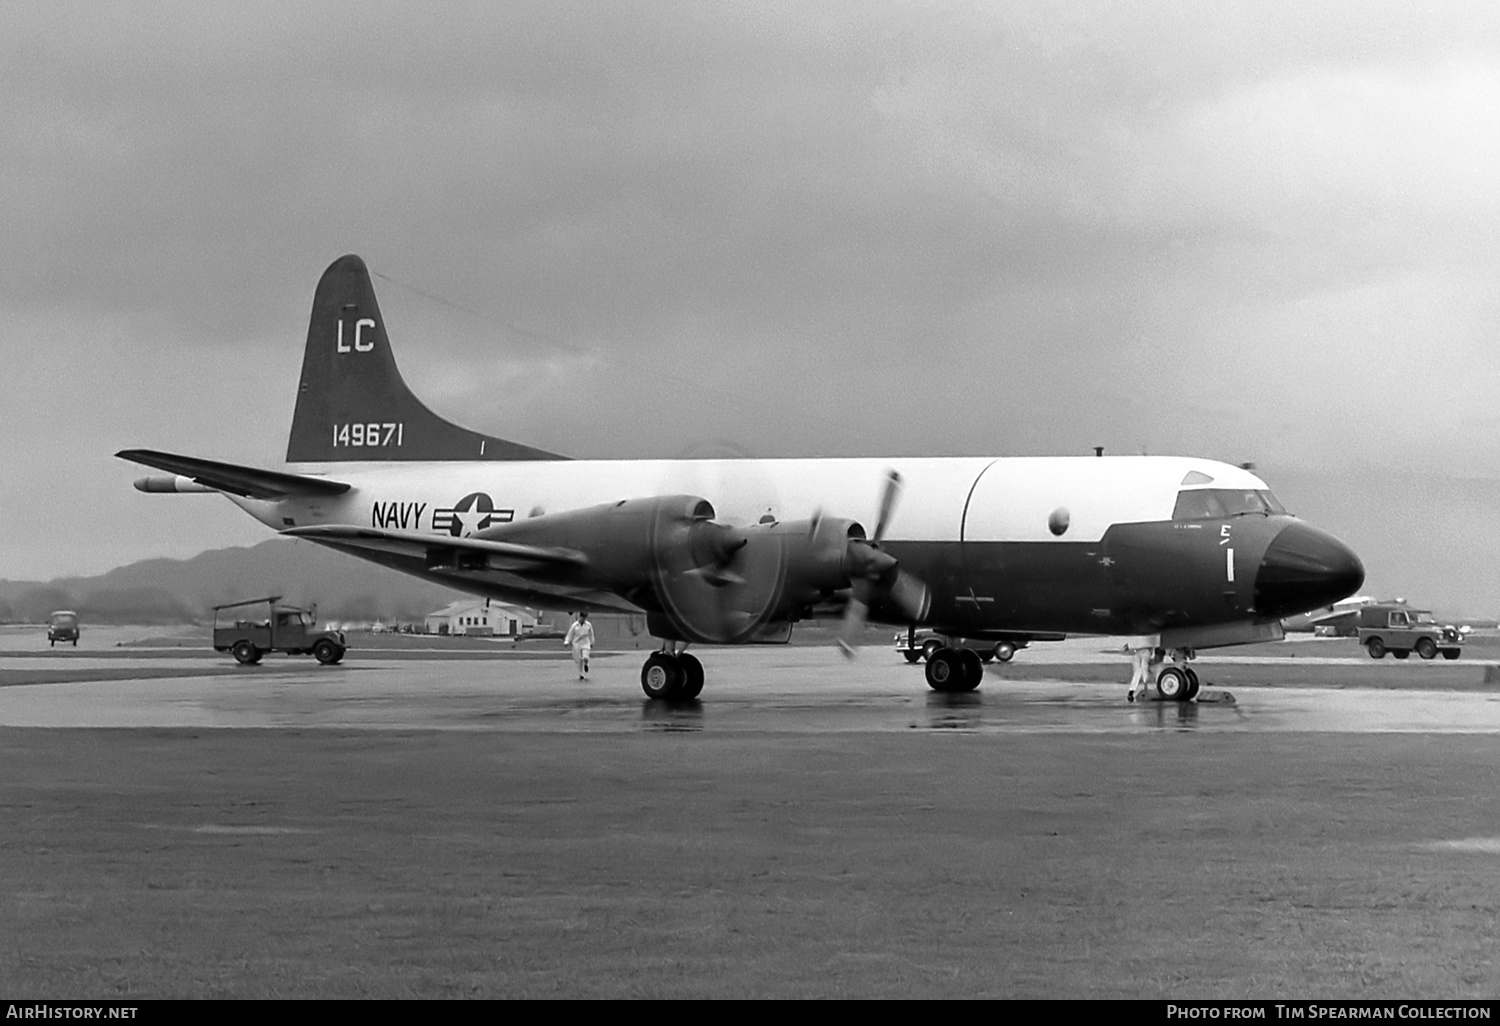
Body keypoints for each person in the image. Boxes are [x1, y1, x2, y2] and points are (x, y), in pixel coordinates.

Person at [563, 612, 595, 680]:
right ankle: (581, 674)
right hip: (577, 643)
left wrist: (592, 642)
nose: (583, 619)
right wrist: (567, 641)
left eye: (584, 617)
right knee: (578, 660)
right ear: (580, 617)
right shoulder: (575, 625)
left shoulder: (588, 625)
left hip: (586, 642)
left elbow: (591, 634)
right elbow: (570, 634)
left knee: (585, 656)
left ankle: (586, 663)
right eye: (582, 617)